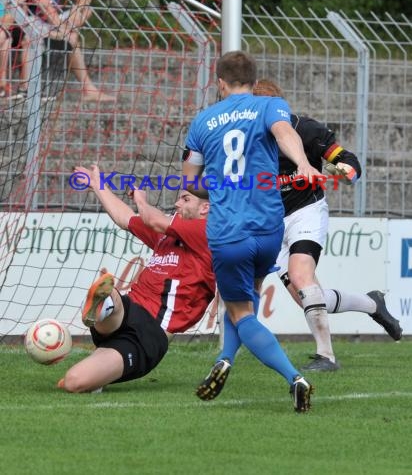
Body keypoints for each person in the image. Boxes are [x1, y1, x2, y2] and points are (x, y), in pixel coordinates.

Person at [197, 78, 403, 401]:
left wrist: (345, 170)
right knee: (307, 296)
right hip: (266, 221)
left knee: (301, 276)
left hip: (306, 211)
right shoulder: (247, 139)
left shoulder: (303, 131)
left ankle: (326, 355)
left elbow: (344, 157)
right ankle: (372, 303)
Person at [182, 50, 320, 413]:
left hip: (230, 230)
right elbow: (284, 131)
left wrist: (220, 187)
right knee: (249, 295)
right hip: (269, 229)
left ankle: (295, 378)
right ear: (254, 82)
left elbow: (189, 181)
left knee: (241, 311)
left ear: (220, 82)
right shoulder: (269, 105)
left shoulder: (203, 121)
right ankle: (224, 360)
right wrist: (303, 163)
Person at [58, 164, 215, 393]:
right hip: (128, 311)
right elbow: (126, 219)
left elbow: (153, 219)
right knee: (111, 293)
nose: (177, 204)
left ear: (205, 208)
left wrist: (141, 200)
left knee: (73, 382)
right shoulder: (167, 237)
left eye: (185, 199)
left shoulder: (208, 232)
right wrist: (97, 184)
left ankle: (102, 313)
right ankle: (103, 305)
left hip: (150, 334)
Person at [24, 0, 114, 102]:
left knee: (87, 9)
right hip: (32, 24)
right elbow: (45, 9)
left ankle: (88, 89)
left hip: (54, 23)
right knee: (72, 38)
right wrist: (65, 30)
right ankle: (88, 89)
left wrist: (73, 14)